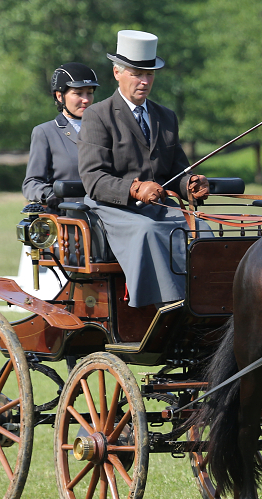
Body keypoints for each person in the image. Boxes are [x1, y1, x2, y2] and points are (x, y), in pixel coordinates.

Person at [78, 30, 210, 308]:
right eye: (137, 74)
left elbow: (177, 171)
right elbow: (93, 179)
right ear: (117, 73)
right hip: (115, 208)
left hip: (160, 206)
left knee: (204, 230)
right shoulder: (97, 115)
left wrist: (190, 184)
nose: (145, 81)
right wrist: (135, 189)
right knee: (148, 230)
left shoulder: (166, 116)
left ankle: (210, 302)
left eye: (149, 75)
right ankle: (168, 306)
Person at [22, 62, 99, 208]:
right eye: (78, 93)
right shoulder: (45, 132)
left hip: (106, 214)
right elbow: (31, 183)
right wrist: (48, 194)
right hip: (68, 217)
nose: (86, 99)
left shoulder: (105, 129)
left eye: (89, 92)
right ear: (59, 96)